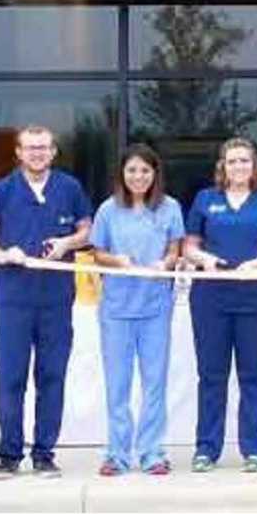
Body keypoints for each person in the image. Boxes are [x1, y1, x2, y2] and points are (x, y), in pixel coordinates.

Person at [0, 125, 92, 479]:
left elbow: (88, 230)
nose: (37, 153)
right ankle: (9, 455)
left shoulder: (69, 188)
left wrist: (67, 244)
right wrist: (3, 254)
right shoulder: (3, 190)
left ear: (54, 151)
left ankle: (44, 454)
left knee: (51, 377)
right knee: (10, 378)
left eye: (43, 147)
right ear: (19, 153)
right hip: (13, 300)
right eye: (30, 148)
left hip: (56, 300)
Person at [184, 137, 257, 473]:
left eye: (244, 161)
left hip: (255, 298)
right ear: (223, 167)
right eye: (232, 162)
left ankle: (255, 448)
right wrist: (207, 260)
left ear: (254, 166)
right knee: (211, 376)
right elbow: (189, 247)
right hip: (210, 299)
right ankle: (206, 448)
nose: (239, 167)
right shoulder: (206, 199)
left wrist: (252, 267)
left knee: (253, 375)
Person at [88, 144, 185, 476]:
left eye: (145, 170)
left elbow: (175, 249)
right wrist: (118, 260)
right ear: (122, 174)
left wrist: (165, 263)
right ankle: (116, 454)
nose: (138, 176)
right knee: (118, 383)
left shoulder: (170, 208)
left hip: (155, 307)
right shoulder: (107, 210)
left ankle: (152, 452)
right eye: (132, 170)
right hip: (116, 309)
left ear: (155, 174)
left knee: (154, 382)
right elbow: (97, 252)